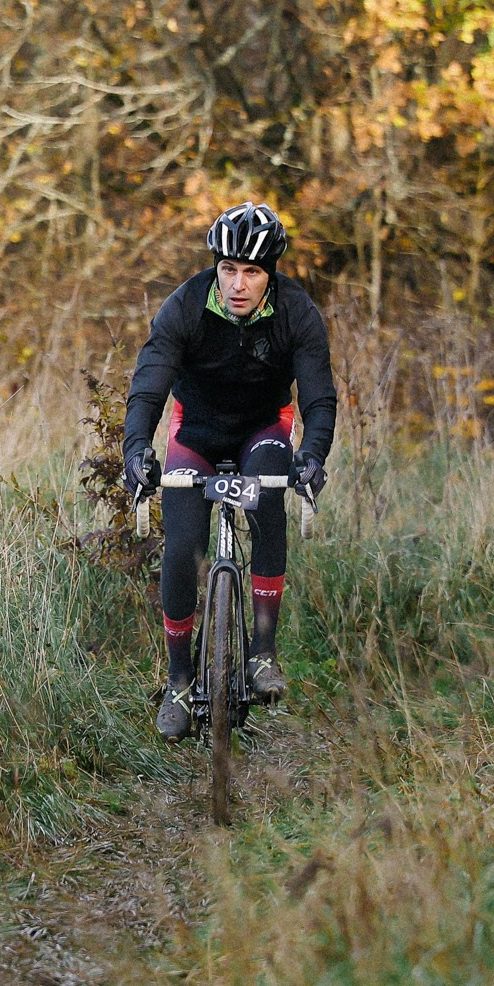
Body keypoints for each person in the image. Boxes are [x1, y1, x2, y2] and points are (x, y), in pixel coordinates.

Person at [121, 202, 336, 740]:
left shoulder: (298, 313)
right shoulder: (185, 306)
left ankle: (262, 651)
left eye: (253, 272)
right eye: (229, 269)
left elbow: (317, 395)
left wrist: (313, 456)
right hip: (195, 430)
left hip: (262, 428)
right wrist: (135, 451)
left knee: (267, 501)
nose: (239, 284)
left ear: (272, 275)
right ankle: (176, 681)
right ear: (216, 266)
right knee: (181, 544)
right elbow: (149, 383)